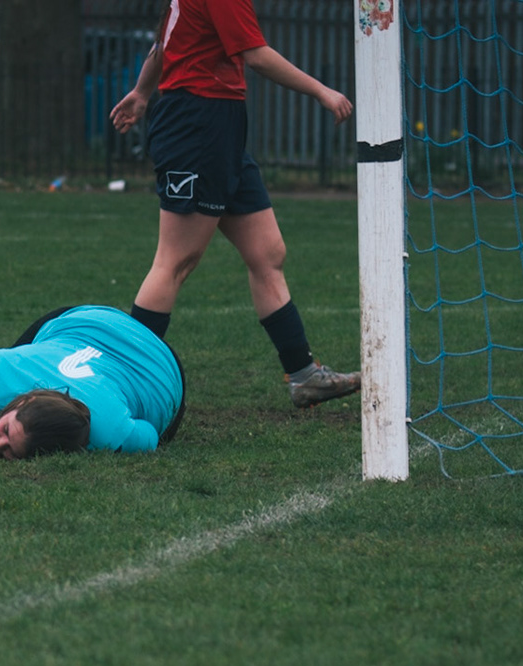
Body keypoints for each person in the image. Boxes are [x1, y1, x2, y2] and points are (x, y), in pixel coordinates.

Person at [109, 0, 359, 408]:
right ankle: (123, 382)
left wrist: (141, 92)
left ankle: (304, 375)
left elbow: (163, 44)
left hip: (219, 126)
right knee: (175, 260)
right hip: (197, 125)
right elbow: (256, 56)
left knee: (267, 252)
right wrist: (322, 91)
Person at [0, 305, 186, 460]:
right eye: (7, 431)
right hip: (82, 321)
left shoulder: (110, 434)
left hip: (159, 365)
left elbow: (150, 436)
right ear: (24, 400)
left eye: (13, 452)